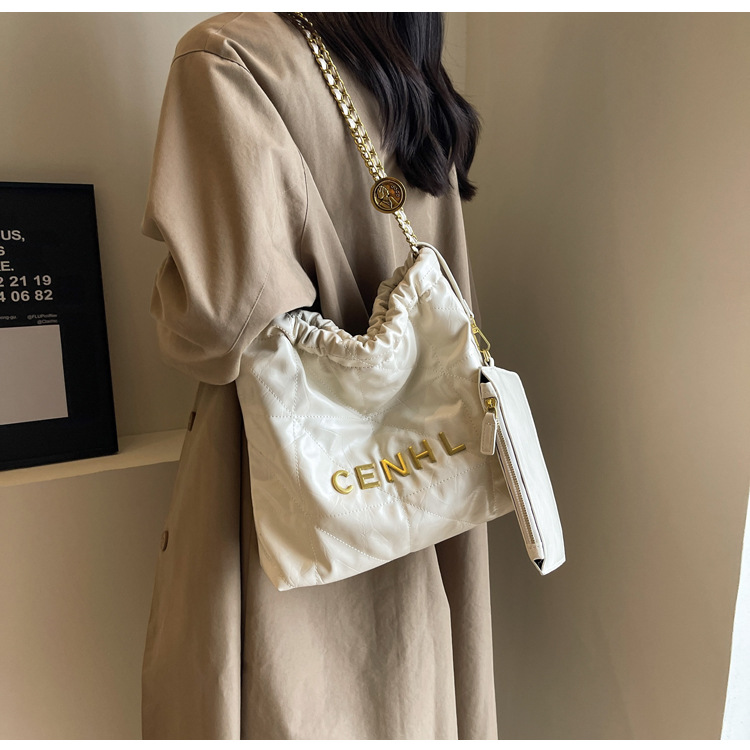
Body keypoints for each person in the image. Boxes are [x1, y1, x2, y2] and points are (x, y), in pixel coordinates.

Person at [141, 11, 497, 740]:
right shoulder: (413, 78)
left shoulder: (230, 58)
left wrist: (168, 298)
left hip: (287, 493)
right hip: (421, 479)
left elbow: (218, 322)